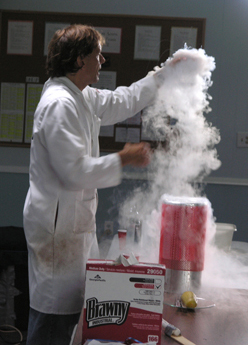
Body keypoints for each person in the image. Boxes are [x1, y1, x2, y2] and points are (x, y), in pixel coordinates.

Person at [23, 24, 163, 345]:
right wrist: (124, 159)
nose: (102, 60)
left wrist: (163, 76)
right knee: (53, 320)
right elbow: (74, 171)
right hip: (58, 235)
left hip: (72, 229)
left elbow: (124, 100)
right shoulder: (60, 103)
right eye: (97, 54)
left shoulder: (80, 95)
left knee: (72, 319)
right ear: (77, 59)